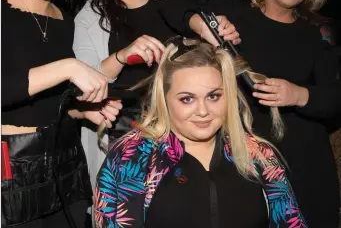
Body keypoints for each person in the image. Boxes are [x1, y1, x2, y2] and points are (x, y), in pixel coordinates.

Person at [73, 0, 240, 193]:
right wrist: (122, 56)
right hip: (121, 133)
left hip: (183, 131)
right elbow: (83, 80)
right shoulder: (91, 16)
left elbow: (206, 61)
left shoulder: (173, 3)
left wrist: (218, 32)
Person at [188, 0, 340, 227]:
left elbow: (334, 100)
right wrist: (202, 24)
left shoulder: (313, 35)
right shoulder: (234, 17)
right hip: (245, 162)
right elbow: (175, 8)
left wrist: (299, 95)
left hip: (305, 165)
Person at [1, 0, 121, 228]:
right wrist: (67, 67)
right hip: (11, 173)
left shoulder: (63, 20)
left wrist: (82, 110)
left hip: (66, 167)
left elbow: (49, 100)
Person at [95, 38, 307, 228]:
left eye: (214, 96)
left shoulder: (259, 156)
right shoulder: (132, 157)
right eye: (187, 99)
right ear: (164, 99)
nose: (203, 111)